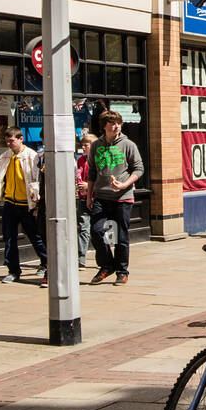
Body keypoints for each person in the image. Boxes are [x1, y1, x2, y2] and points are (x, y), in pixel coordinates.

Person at [87, 110, 145, 285]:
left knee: (120, 236)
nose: (116, 126)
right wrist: (89, 196)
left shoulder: (128, 145)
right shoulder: (96, 146)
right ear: (104, 126)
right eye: (112, 123)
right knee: (96, 232)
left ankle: (122, 270)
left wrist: (125, 184)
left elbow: (139, 169)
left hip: (122, 197)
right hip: (101, 196)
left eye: (118, 123)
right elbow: (91, 172)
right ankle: (106, 266)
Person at [0, 127, 47, 284]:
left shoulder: (31, 156)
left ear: (21, 138)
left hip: (27, 203)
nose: (9, 144)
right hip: (10, 202)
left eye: (12, 140)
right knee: (9, 237)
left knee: (35, 236)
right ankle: (13, 270)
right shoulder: (5, 157)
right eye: (7, 141)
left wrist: (36, 203)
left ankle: (46, 262)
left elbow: (36, 180)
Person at [73, 131, 97, 268]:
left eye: (86, 145)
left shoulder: (98, 159)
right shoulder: (80, 160)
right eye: (82, 145)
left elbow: (103, 179)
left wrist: (89, 186)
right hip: (82, 198)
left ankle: (103, 257)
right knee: (83, 228)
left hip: (96, 198)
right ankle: (81, 258)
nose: (83, 148)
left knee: (98, 230)